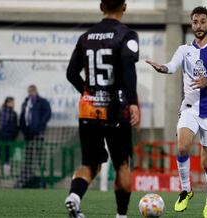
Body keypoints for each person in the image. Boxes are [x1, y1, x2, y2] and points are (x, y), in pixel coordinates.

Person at [146, 6, 207, 218]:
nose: (199, 26)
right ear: (192, 24)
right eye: (195, 22)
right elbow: (172, 66)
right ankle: (186, 190)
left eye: (203, 22)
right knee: (183, 147)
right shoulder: (184, 50)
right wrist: (163, 68)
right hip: (190, 108)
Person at [64, 0, 140, 217]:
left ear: (101, 7)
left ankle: (74, 197)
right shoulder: (127, 35)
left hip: (88, 108)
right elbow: (127, 66)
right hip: (116, 109)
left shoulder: (85, 37)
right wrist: (132, 102)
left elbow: (71, 73)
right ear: (124, 7)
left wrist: (88, 93)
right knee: (122, 164)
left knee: (90, 162)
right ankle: (121, 215)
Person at [16, 85, 51, 188]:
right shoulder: (26, 103)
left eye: (32, 91)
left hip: (39, 133)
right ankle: (27, 178)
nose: (31, 93)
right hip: (28, 134)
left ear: (36, 91)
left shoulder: (42, 102)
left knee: (39, 156)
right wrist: (24, 128)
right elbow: (23, 117)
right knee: (28, 157)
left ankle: (41, 178)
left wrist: (40, 125)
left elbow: (47, 114)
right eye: (29, 91)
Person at [0, 97, 19, 176]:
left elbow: (15, 126)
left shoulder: (14, 113)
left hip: (10, 137)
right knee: (1, 153)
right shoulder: (1, 112)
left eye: (13, 102)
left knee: (8, 153)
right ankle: (1, 168)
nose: (12, 104)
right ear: (6, 103)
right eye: (10, 102)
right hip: (2, 136)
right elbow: (0, 124)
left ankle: (7, 169)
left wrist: (14, 135)